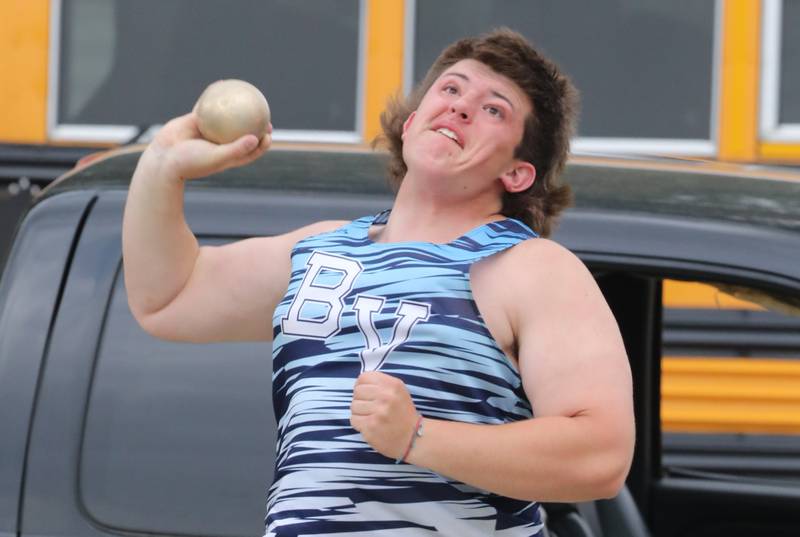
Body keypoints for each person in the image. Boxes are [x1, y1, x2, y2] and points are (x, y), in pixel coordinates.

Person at [123, 28, 635, 536]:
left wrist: (418, 438)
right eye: (451, 89)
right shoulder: (321, 250)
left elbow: (600, 455)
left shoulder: (529, 267)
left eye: (494, 109)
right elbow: (167, 298)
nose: (460, 107)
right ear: (412, 124)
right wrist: (162, 166)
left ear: (519, 174)